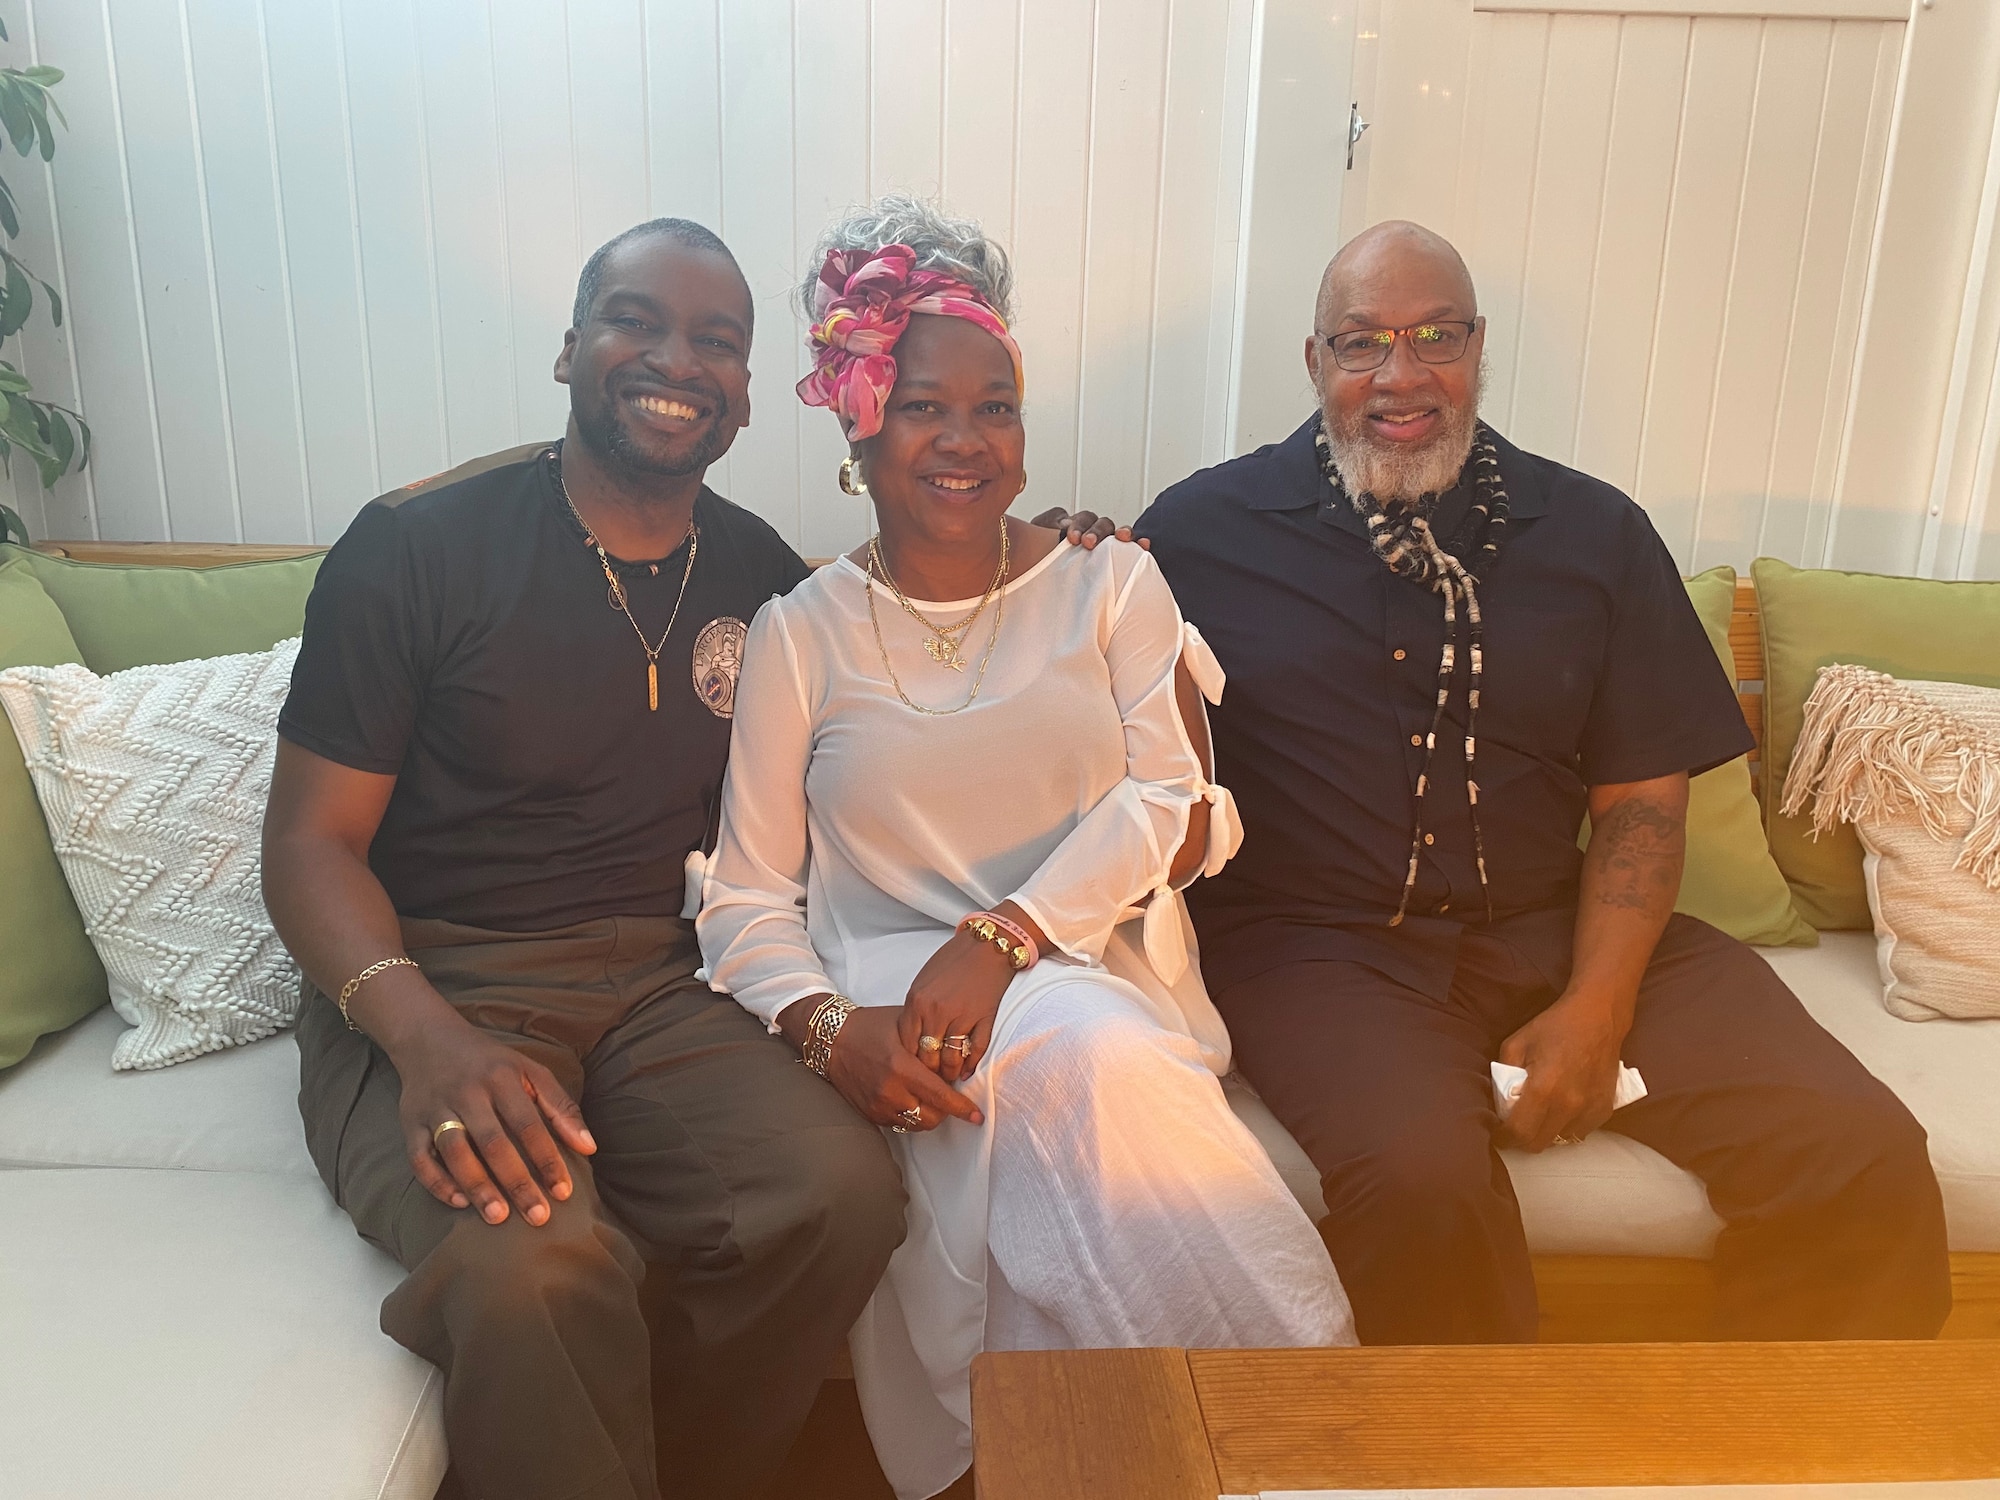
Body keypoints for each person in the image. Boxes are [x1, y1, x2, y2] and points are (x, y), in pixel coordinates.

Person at [1133, 220, 1952, 1345]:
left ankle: (1780, 1459)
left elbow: (1639, 803)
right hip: (1314, 946)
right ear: (1313, 360)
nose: (1401, 374)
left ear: (1477, 347)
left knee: (1851, 1143)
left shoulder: (1592, 532)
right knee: (1421, 1184)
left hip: (1551, 918)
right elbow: (1078, 666)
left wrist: (1597, 1003)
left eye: (1436, 336)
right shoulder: (1200, 531)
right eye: (1361, 341)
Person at [696, 196, 1352, 1500]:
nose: (967, 439)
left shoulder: (1112, 587)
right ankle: (1315, 1440)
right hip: (900, 1024)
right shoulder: (800, 633)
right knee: (1053, 1081)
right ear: (860, 421)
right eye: (928, 405)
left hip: (1096, 987)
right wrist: (830, 1030)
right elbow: (747, 902)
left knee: (1075, 1044)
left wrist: (1008, 939)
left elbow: (1174, 806)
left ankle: (1269, 1445)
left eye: (996, 406)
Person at [262, 219, 913, 1500]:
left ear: (741, 396)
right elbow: (305, 846)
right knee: (535, 1267)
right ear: (570, 350)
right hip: (439, 976)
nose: (674, 358)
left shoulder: (761, 577)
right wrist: (426, 1041)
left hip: (671, 985)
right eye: (633, 320)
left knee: (834, 1196)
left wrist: (1056, 560)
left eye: (716, 341)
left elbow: (934, 655)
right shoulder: (415, 547)